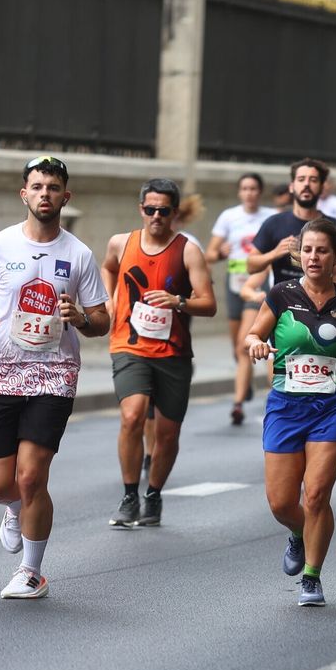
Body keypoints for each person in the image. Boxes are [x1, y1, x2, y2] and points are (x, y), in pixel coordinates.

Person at [0, 156, 110, 598]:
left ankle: (32, 572)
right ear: (24, 194)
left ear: (65, 196)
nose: (45, 193)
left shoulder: (79, 254)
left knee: (32, 477)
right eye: (37, 186)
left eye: (53, 187)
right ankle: (13, 508)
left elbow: (102, 319)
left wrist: (81, 317)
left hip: (54, 374)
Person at [243, 219, 336, 607]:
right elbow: (253, 333)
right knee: (281, 503)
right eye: (307, 250)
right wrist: (255, 343)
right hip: (287, 405)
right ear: (297, 254)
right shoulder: (282, 294)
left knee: (317, 494)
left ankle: (312, 577)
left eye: (322, 250)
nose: (314, 257)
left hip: (332, 405)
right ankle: (297, 533)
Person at [102, 179, 216, 528]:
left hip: (173, 353)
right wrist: (112, 299)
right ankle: (129, 495)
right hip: (129, 346)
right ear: (141, 210)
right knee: (132, 415)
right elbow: (108, 267)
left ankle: (153, 493)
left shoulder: (187, 251)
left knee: (167, 433)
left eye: (163, 211)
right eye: (149, 209)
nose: (156, 216)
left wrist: (178, 301)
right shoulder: (121, 243)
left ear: (174, 213)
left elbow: (208, 304)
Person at [204, 173, 272, 426]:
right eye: (245, 188)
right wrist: (220, 253)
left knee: (246, 341)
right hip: (234, 281)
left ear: (260, 191)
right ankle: (245, 386)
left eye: (254, 188)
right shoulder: (229, 217)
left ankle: (238, 402)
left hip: (259, 284)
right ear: (239, 192)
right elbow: (209, 254)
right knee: (237, 346)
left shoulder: (270, 217)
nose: (250, 193)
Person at [251, 159, 336, 291]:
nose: (306, 184)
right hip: (284, 304)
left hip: (321, 303)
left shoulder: (333, 225)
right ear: (292, 186)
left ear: (321, 187)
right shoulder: (273, 223)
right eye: (301, 179)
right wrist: (275, 253)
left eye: (313, 180)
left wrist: (330, 265)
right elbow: (250, 265)